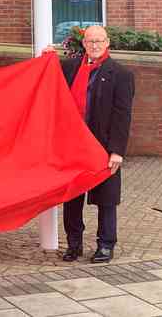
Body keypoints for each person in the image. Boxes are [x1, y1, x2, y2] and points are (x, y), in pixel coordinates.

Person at [54, 25, 135, 263]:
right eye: (90, 41)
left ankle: (106, 245)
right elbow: (47, 80)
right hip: (73, 145)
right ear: (84, 43)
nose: (95, 45)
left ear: (107, 42)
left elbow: (123, 116)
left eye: (99, 41)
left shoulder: (121, 74)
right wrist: (47, 55)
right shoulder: (69, 68)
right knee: (72, 198)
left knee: (106, 199)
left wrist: (117, 151)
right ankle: (74, 244)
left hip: (103, 146)